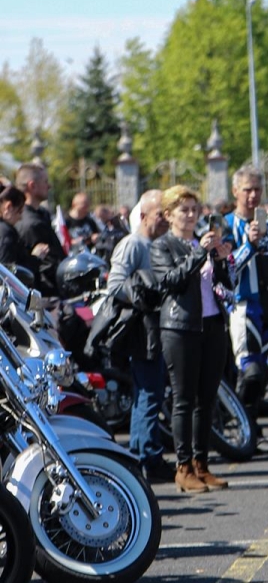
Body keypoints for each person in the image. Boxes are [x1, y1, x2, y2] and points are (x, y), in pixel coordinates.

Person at [151, 185, 233, 494]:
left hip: (211, 324)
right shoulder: (163, 246)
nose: (189, 215)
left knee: (207, 399)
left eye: (193, 209)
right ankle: (182, 467)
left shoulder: (204, 243)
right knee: (183, 399)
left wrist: (221, 259)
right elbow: (170, 281)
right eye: (183, 210)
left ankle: (202, 464)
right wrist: (200, 252)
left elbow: (223, 284)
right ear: (169, 215)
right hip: (180, 327)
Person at [106, 189, 172, 483]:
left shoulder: (157, 244)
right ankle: (148, 458)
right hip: (142, 330)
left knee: (150, 392)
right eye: (161, 213)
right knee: (148, 392)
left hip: (157, 327)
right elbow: (115, 285)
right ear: (143, 215)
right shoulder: (133, 244)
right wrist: (144, 298)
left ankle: (142, 454)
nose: (166, 219)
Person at [224, 167, 268, 456]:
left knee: (261, 374)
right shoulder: (227, 226)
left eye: (257, 189)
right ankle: (239, 428)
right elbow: (226, 268)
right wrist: (248, 244)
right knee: (251, 371)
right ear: (235, 191)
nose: (253, 195)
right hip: (242, 307)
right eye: (247, 189)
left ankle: (252, 430)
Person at [14, 163, 63, 297]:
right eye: (45, 182)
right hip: (45, 296)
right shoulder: (31, 223)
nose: (49, 186)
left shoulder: (40, 213)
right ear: (32, 186)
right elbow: (48, 266)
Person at [0, 186, 38, 281]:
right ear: (9, 207)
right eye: (20, 212)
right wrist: (35, 258)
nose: (20, 218)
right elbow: (7, 273)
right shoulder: (6, 233)